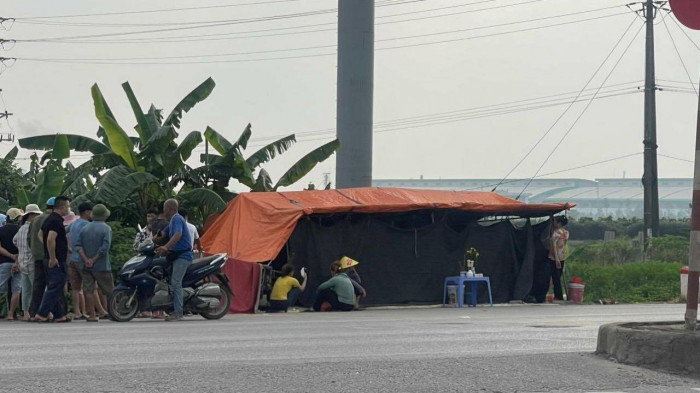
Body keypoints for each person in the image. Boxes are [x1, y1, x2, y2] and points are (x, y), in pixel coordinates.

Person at [154, 199, 192, 322]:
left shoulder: (177, 219)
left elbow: (177, 235)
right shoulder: (171, 222)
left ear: (170, 208)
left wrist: (166, 247)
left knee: (176, 282)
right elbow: (162, 235)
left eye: (164, 209)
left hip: (183, 256)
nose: (163, 211)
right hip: (175, 255)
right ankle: (170, 305)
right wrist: (150, 241)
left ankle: (178, 312)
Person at [35, 196, 72, 323]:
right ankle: (42, 313)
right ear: (62, 208)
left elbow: (40, 235)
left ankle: (59, 315)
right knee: (55, 287)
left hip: (49, 257)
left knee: (56, 286)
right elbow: (50, 238)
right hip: (55, 259)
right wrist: (53, 256)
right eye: (68, 206)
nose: (69, 209)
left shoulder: (49, 219)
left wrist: (47, 248)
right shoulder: (56, 221)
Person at [76, 204, 114, 322]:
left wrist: (86, 259)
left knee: (89, 290)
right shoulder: (106, 228)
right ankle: (114, 312)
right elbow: (104, 248)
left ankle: (92, 315)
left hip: (85, 265)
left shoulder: (85, 228)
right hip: (101, 265)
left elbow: (78, 246)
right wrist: (94, 259)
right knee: (109, 290)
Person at [29, 197, 62, 318]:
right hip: (49, 256)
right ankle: (58, 314)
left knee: (38, 286)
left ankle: (34, 313)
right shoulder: (53, 219)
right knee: (55, 285)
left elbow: (29, 238)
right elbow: (52, 239)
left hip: (37, 256)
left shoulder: (35, 219)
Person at [12, 204, 41, 321]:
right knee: (36, 289)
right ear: (32, 215)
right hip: (32, 261)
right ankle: (36, 312)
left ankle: (26, 313)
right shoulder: (34, 228)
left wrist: (21, 249)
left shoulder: (21, 228)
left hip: (22, 262)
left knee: (26, 290)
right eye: (37, 215)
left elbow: (14, 240)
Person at [67, 202, 92, 320]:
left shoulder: (73, 224)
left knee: (76, 288)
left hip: (73, 258)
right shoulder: (87, 225)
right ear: (87, 212)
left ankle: (77, 312)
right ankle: (89, 311)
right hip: (83, 259)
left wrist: (68, 248)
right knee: (89, 287)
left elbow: (63, 232)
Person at [0, 208, 23, 320]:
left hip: (4, 263)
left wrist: (10, 256)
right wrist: (16, 259)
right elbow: (23, 248)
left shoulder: (1, 230)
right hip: (19, 263)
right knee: (16, 289)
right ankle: (11, 314)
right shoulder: (21, 230)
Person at [548, 216, 570, 301]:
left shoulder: (556, 233)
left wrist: (556, 259)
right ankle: (558, 295)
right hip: (562, 257)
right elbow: (564, 245)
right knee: (557, 278)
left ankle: (559, 296)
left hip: (555, 258)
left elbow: (554, 247)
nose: (554, 223)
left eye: (555, 221)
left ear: (559, 223)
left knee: (555, 278)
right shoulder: (566, 233)